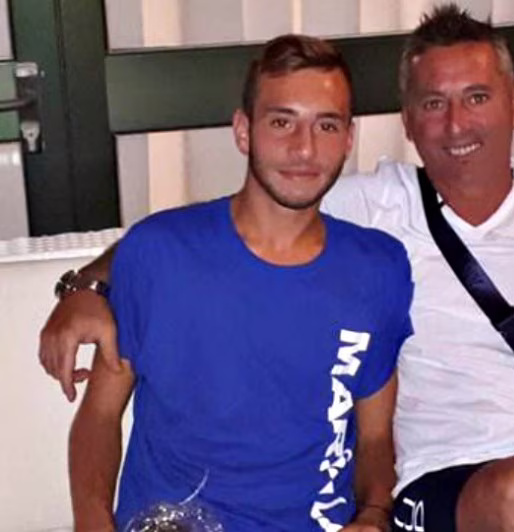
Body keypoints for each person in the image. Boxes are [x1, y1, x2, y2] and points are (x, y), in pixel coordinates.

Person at [40, 5, 514, 532]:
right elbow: (212, 228)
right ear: (407, 121)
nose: (456, 125)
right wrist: (88, 285)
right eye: (433, 103)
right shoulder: (368, 209)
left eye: (477, 97)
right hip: (455, 486)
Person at [64, 34, 413, 532]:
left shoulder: (379, 268)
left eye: (326, 125)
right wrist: (92, 521)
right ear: (244, 131)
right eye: (282, 122)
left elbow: (375, 437)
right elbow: (100, 415)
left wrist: (375, 513)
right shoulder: (159, 253)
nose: (305, 149)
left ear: (348, 139)